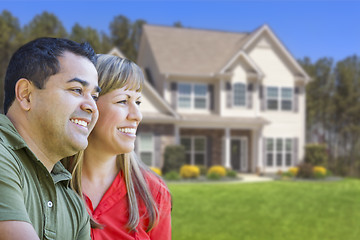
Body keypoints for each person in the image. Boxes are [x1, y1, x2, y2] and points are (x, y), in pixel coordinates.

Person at [0, 37, 100, 240]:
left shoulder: (73, 204)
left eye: (94, 96)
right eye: (77, 90)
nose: (92, 107)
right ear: (26, 95)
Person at [65, 54, 172, 240]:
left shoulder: (154, 192)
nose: (137, 115)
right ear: (89, 106)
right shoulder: (47, 181)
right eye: (123, 101)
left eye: (138, 102)